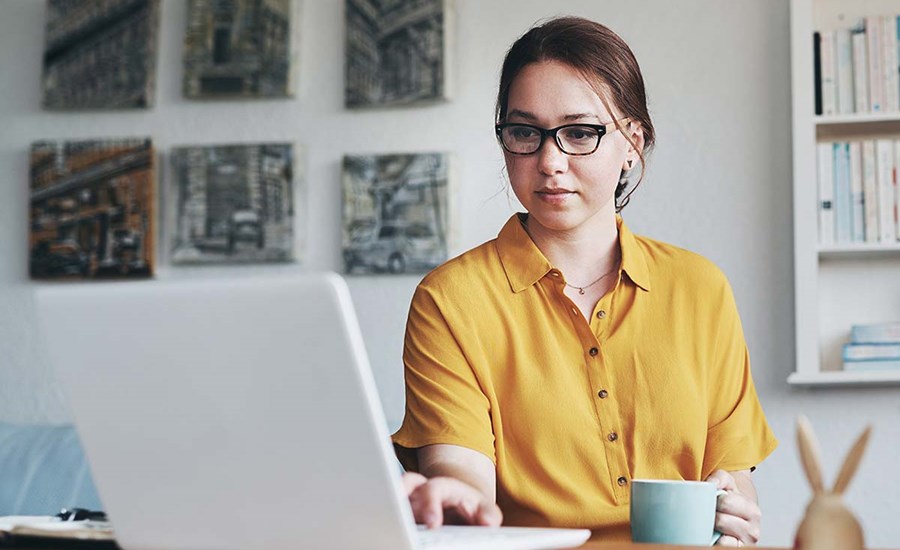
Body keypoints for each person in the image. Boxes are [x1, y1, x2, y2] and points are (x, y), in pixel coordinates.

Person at [391, 16, 777, 547]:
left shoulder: (700, 290)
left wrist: (738, 521)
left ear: (632, 143)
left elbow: (734, 485)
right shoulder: (450, 300)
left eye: (580, 133)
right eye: (524, 132)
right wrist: (455, 501)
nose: (550, 161)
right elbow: (460, 474)